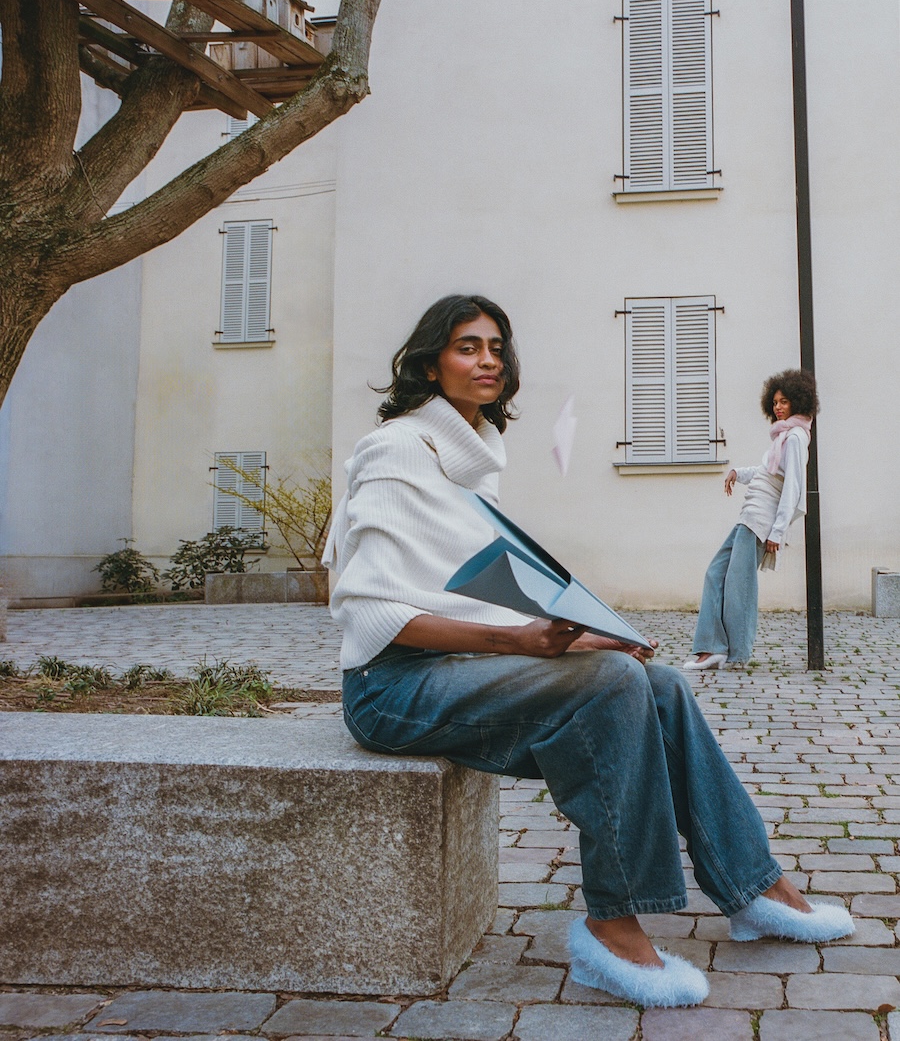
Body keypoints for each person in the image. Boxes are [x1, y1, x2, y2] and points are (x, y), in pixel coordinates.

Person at [325, 298, 851, 1008]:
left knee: (658, 683)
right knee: (611, 685)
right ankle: (612, 925)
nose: (488, 360)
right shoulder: (396, 449)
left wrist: (580, 631)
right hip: (391, 690)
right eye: (467, 347)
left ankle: (755, 887)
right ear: (429, 365)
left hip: (459, 670)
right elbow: (377, 612)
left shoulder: (471, 457)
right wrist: (520, 642)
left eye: (496, 347)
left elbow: (473, 593)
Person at [683, 369, 819, 671]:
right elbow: (767, 472)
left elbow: (792, 487)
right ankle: (713, 647)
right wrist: (738, 473)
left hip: (761, 520)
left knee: (739, 585)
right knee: (716, 574)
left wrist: (777, 531)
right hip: (749, 516)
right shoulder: (783, 436)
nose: (778, 407)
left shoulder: (796, 438)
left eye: (784, 402)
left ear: (798, 402)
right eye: (775, 402)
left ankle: (735, 654)